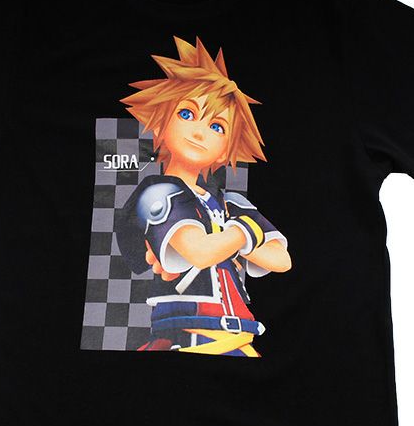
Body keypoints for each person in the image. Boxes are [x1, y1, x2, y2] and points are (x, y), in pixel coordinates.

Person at [116, 36, 291, 357]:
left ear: (227, 148)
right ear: (160, 122)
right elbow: (199, 251)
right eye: (186, 114)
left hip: (239, 339)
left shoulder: (229, 201)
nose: (199, 132)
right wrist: (244, 233)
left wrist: (230, 237)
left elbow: (281, 259)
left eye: (218, 127)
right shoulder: (159, 192)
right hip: (186, 338)